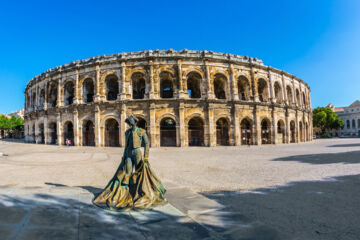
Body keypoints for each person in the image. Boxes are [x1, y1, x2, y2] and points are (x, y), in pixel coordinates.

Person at [93, 115, 166, 210]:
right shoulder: (127, 132)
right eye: (128, 122)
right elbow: (126, 145)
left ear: (134, 122)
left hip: (137, 152)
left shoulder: (141, 131)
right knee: (127, 172)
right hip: (128, 153)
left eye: (130, 122)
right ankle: (126, 193)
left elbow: (147, 144)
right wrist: (124, 156)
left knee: (139, 172)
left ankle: (139, 191)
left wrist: (146, 156)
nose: (128, 123)